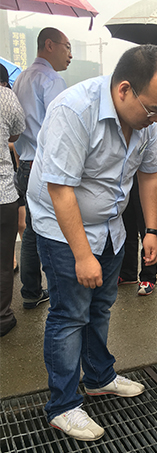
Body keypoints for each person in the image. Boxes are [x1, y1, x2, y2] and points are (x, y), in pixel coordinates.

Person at [26, 44, 157, 441]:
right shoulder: (74, 110)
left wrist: (151, 231)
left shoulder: (145, 121)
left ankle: (98, 376)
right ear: (124, 90)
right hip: (63, 229)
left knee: (101, 306)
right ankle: (62, 405)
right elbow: (59, 189)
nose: (156, 120)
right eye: (153, 110)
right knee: (69, 314)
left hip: (111, 226)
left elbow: (149, 175)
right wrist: (82, 255)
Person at [13, 27, 72, 309]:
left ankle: (31, 291)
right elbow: (63, 127)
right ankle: (62, 291)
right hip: (47, 165)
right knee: (56, 228)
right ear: (49, 45)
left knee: (31, 231)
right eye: (67, 47)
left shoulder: (21, 78)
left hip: (25, 163)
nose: (70, 54)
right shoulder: (52, 80)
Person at [118, 110, 157, 296]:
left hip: (149, 173)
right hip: (128, 174)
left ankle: (148, 275)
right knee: (127, 225)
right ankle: (127, 272)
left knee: (148, 226)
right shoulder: (133, 111)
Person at [0, 73, 26, 337]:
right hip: (3, 194)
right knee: (3, 260)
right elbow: (17, 132)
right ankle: (2, 317)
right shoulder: (6, 96)